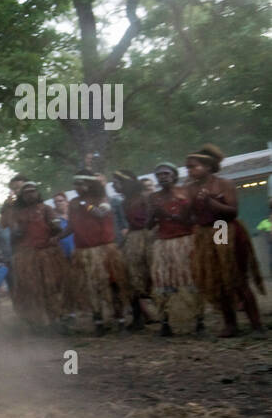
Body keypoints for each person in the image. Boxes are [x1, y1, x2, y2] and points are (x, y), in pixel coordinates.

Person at [184, 144, 264, 337]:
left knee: (235, 277)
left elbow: (233, 211)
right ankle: (230, 324)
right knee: (217, 279)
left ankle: (257, 326)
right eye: (188, 167)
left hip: (222, 228)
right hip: (204, 232)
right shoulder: (189, 189)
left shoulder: (224, 184)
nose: (190, 170)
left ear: (208, 167)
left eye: (194, 166)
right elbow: (188, 216)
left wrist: (210, 201)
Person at [62, 171, 127, 335]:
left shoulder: (103, 199)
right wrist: (56, 237)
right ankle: (98, 321)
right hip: (84, 252)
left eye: (80, 184)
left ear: (89, 184)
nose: (76, 188)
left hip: (105, 250)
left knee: (113, 285)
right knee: (91, 288)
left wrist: (85, 204)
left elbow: (100, 213)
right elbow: (71, 226)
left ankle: (120, 321)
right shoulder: (73, 203)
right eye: (75, 184)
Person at [146, 162, 198, 336]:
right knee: (163, 284)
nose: (162, 177)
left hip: (185, 241)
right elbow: (148, 225)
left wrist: (169, 214)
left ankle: (199, 321)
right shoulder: (153, 197)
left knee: (191, 281)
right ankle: (165, 323)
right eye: (159, 175)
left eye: (166, 174)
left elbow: (192, 219)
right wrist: (154, 214)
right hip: (164, 244)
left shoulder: (186, 192)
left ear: (174, 175)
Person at [9, 182, 68, 334]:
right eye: (27, 193)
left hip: (47, 254)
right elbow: (14, 234)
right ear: (22, 196)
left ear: (38, 193)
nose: (31, 195)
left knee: (51, 288)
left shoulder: (46, 209)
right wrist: (16, 231)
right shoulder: (17, 213)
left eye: (33, 192)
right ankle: (39, 323)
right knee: (33, 291)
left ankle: (57, 320)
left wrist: (55, 227)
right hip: (27, 257)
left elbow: (57, 228)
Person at [111, 169, 152, 330]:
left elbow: (151, 219)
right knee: (130, 278)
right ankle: (138, 317)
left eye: (117, 182)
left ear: (127, 183)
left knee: (151, 277)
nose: (114, 186)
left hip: (146, 238)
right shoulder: (123, 202)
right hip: (132, 240)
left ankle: (166, 318)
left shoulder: (144, 199)